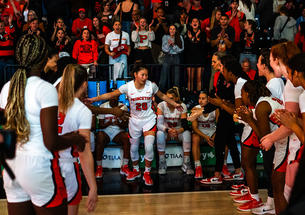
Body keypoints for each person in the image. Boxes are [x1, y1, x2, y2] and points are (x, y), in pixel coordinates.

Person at [0, 34, 86, 214]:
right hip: (38, 167)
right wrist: (75, 138)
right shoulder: (45, 89)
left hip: (11, 167)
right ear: (42, 59)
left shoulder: (6, 88)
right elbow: (51, 142)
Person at [87, 64, 183, 186]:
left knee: (148, 147)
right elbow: (111, 95)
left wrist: (175, 104)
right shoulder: (128, 87)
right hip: (134, 121)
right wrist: (93, 99)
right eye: (142, 74)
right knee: (133, 148)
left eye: (146, 75)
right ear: (135, 75)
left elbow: (162, 96)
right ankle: (136, 170)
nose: (145, 77)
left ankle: (147, 173)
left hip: (149, 119)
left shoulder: (151, 85)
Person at [259, 41, 301, 215]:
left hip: (295, 144)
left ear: (277, 59)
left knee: (284, 189)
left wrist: (270, 137)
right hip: (293, 142)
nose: (268, 63)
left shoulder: (292, 84)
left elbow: (292, 123)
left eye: (269, 58)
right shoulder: (290, 82)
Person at [236, 80, 287, 214]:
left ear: (248, 93)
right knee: (272, 173)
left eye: (242, 94)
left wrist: (250, 121)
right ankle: (271, 204)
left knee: (273, 174)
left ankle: (276, 207)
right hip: (282, 139)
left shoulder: (262, 106)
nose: (241, 97)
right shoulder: (265, 101)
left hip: (282, 141)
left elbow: (265, 139)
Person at [57, 64, 97, 214]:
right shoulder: (82, 111)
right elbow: (84, 151)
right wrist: (93, 187)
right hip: (67, 169)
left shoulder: (49, 103)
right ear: (84, 84)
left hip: (45, 166)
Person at [201, 55, 243, 185]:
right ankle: (238, 171)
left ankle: (217, 175)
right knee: (230, 142)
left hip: (230, 114)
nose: (213, 64)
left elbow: (232, 104)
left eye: (215, 62)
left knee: (220, 142)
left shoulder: (239, 82)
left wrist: (221, 103)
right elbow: (218, 98)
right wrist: (204, 110)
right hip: (225, 112)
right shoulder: (219, 77)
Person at [156, 87, 192, 175]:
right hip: (166, 131)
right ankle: (162, 163)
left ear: (176, 99)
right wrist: (168, 130)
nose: (168, 101)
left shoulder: (181, 106)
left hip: (177, 132)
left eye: (171, 99)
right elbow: (159, 125)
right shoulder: (161, 105)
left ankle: (186, 163)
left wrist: (178, 131)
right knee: (159, 133)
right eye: (167, 98)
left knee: (187, 133)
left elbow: (185, 125)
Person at [95, 96, 130, 178]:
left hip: (118, 131)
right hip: (106, 131)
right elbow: (100, 125)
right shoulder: (103, 106)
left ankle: (125, 166)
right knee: (99, 136)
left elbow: (125, 126)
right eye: (112, 99)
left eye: (115, 99)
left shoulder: (123, 107)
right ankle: (99, 167)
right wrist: (109, 123)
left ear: (118, 99)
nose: (113, 100)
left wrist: (118, 123)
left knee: (126, 138)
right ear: (109, 99)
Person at [191, 91, 219, 179]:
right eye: (199, 98)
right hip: (201, 133)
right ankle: (198, 167)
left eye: (203, 98)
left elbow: (219, 125)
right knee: (195, 138)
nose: (200, 101)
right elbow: (194, 128)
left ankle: (224, 166)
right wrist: (206, 137)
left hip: (212, 131)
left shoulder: (215, 109)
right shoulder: (195, 109)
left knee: (223, 138)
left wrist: (214, 136)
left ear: (208, 100)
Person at [185, 17, 207, 92]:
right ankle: (189, 95)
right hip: (190, 58)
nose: (195, 22)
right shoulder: (188, 33)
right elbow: (186, 46)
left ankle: (199, 95)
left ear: (199, 23)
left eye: (196, 21)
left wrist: (196, 39)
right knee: (190, 79)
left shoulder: (203, 33)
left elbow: (204, 46)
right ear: (191, 24)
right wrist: (193, 39)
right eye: (193, 21)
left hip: (200, 58)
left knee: (199, 78)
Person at [160, 24, 184, 91]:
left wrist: (173, 45)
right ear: (169, 30)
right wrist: (168, 44)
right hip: (167, 56)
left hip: (176, 56)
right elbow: (164, 49)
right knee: (164, 74)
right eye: (171, 29)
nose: (172, 30)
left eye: (174, 29)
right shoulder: (165, 37)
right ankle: (162, 91)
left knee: (176, 75)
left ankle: (176, 92)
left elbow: (181, 49)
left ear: (176, 30)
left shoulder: (179, 37)